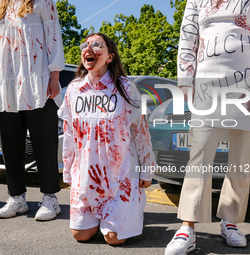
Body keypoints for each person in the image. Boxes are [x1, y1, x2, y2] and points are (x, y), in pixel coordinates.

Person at [165, 0, 250, 254]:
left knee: (241, 157)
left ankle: (230, 221)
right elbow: (188, 33)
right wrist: (185, 75)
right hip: (208, 78)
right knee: (200, 151)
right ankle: (187, 226)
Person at [58, 33, 156, 245]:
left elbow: (140, 131)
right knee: (80, 235)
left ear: (110, 57)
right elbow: (69, 134)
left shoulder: (126, 87)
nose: (88, 49)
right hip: (86, 177)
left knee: (114, 238)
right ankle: (103, 217)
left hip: (120, 177)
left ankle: (131, 209)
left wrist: (147, 168)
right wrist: (68, 170)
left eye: (96, 45)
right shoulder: (74, 89)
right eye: (85, 45)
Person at [0, 0, 65, 221]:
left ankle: (50, 199)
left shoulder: (43, 1)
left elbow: (54, 35)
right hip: (4, 79)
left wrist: (54, 75)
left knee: (44, 142)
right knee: (10, 143)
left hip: (37, 79)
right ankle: (17, 197)